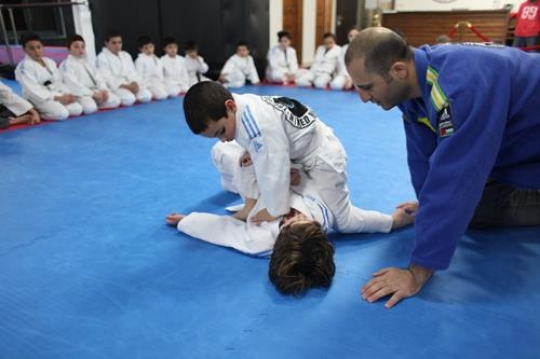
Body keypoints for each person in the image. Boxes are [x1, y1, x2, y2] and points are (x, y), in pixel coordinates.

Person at [344, 27, 540, 308]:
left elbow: (456, 177)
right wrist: (427, 208)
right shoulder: (415, 89)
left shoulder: (459, 88)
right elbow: (423, 159)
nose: (363, 97)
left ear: (398, 70)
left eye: (367, 87)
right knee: (468, 211)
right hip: (518, 137)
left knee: (463, 204)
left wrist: (417, 271)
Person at [166, 140, 417, 295]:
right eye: (298, 221)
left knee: (223, 152)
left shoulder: (260, 242)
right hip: (274, 169)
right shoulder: (338, 214)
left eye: (286, 224)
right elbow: (372, 221)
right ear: (319, 232)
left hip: (251, 186)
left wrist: (188, 222)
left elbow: (223, 232)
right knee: (225, 147)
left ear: (277, 244)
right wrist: (399, 219)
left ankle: (234, 180)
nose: (290, 217)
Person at [183, 81, 400, 237]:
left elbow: (273, 170)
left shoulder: (256, 126)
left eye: (221, 131)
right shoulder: (242, 104)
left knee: (344, 221)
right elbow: (269, 138)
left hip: (324, 160)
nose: (223, 139)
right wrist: (253, 149)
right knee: (240, 156)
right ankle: (262, 196)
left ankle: (394, 221)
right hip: (300, 151)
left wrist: (273, 209)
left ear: (230, 106)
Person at [15, 32, 83, 120]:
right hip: (37, 98)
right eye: (32, 48)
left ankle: (54, 108)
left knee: (77, 109)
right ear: (24, 49)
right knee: (62, 114)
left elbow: (58, 81)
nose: (37, 51)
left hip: (54, 92)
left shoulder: (50, 62)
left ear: (42, 47)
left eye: (39, 47)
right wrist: (57, 98)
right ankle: (37, 113)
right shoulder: (24, 67)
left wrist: (67, 94)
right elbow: (32, 90)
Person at [59, 34, 121, 113]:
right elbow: (73, 85)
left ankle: (96, 104)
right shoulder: (66, 65)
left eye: (83, 47)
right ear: (69, 49)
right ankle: (92, 104)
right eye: (76, 47)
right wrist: (92, 94)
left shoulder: (88, 61)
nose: (81, 50)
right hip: (81, 94)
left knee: (116, 100)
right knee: (90, 108)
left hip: (95, 90)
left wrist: (103, 89)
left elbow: (98, 77)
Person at [96, 32, 152, 106]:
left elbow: (132, 72)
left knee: (147, 96)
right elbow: (108, 78)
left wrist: (134, 83)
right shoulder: (102, 57)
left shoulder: (125, 55)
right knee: (129, 99)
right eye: (114, 43)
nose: (117, 45)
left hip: (129, 83)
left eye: (119, 42)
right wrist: (127, 86)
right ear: (106, 43)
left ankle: (133, 94)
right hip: (117, 86)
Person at [135, 35, 180, 100]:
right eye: (146, 48)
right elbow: (139, 77)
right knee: (162, 95)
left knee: (174, 92)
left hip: (159, 83)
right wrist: (144, 86)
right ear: (141, 49)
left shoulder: (157, 58)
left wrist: (164, 82)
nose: (149, 50)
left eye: (151, 47)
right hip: (148, 84)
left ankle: (157, 91)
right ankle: (148, 93)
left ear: (154, 46)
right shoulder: (140, 60)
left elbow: (161, 74)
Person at [330, 26, 360, 91]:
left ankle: (352, 84)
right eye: (350, 36)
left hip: (359, 75)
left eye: (356, 35)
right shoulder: (344, 48)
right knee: (335, 85)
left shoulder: (364, 48)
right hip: (345, 74)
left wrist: (352, 78)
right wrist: (347, 77)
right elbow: (342, 64)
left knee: (360, 89)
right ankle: (349, 83)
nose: (353, 38)